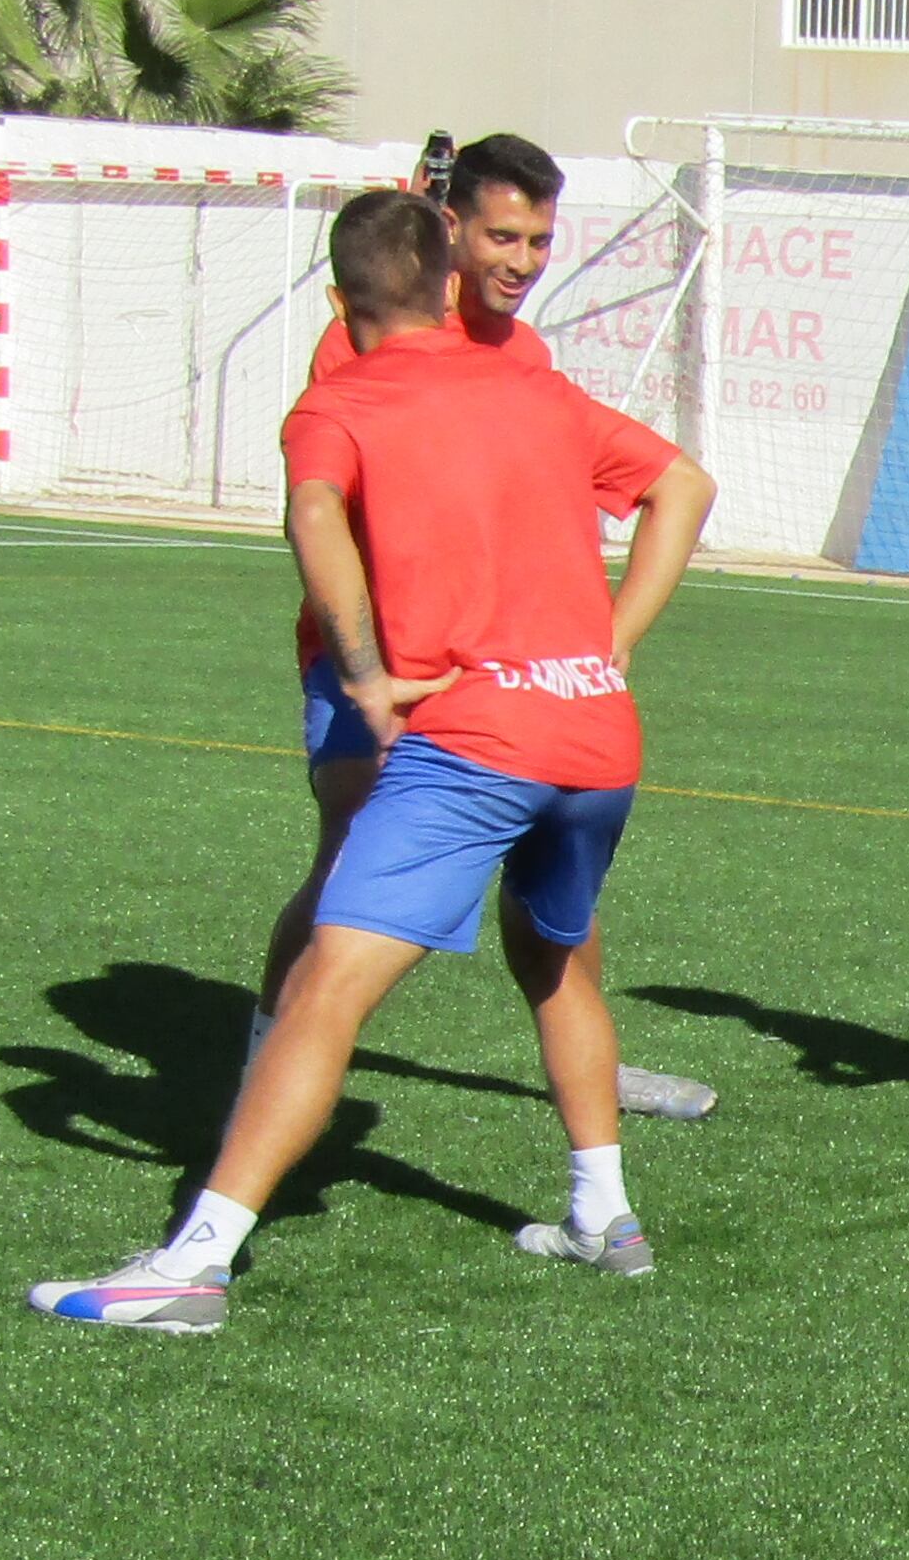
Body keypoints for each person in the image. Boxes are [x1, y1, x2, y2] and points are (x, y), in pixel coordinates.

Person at [32, 190, 713, 1331]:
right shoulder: (534, 382)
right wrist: (610, 644)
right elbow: (682, 484)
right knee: (554, 965)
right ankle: (604, 1213)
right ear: (449, 279)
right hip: (598, 736)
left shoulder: (335, 399)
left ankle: (191, 1266)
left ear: (340, 301)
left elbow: (311, 515)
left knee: (325, 988)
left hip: (476, 737)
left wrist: (360, 673)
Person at [253, 130, 714, 1123]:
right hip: (377, 666)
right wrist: (367, 664)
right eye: (503, 236)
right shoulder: (363, 337)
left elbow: (666, 488)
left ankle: (592, 1067)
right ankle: (270, 1042)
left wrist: (611, 636)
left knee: (553, 875)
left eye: (539, 240)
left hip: (511, 677)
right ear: (446, 228)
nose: (522, 261)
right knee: (346, 858)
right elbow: (325, 500)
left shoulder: (528, 358)